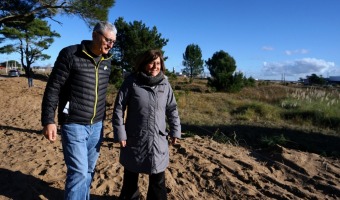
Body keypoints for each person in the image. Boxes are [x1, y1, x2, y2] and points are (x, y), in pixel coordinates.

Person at [41, 21, 117, 200]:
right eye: (108, 40)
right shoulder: (70, 54)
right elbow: (53, 88)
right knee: (79, 172)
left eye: (113, 42)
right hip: (73, 123)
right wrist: (48, 120)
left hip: (97, 126)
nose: (110, 45)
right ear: (95, 35)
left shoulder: (107, 61)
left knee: (89, 171)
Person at [112, 49, 181, 200]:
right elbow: (118, 108)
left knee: (158, 179)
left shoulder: (165, 84)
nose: (155, 66)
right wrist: (120, 133)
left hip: (158, 139)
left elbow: (172, 108)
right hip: (134, 138)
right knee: (130, 177)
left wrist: (175, 130)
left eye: (158, 63)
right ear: (143, 64)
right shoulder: (131, 82)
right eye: (151, 63)